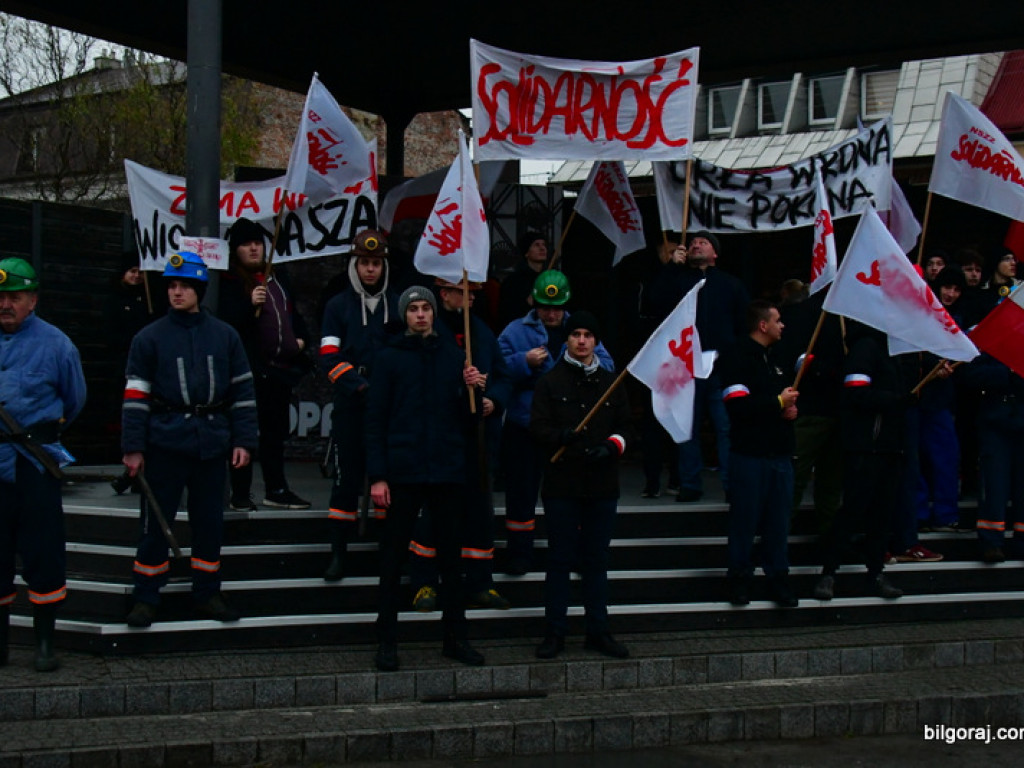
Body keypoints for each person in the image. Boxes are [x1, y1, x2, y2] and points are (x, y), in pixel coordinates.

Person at [121, 252, 258, 628]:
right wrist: (132, 448)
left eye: (184, 286)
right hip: (164, 442)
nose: (177, 292)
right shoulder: (149, 338)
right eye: (172, 286)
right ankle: (145, 596)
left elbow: (243, 394)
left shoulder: (225, 335)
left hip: (213, 442)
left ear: (199, 289)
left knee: (210, 523)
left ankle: (207, 593)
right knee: (154, 525)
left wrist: (243, 440)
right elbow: (135, 398)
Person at [365, 286, 484, 672]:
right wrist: (378, 476)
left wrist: (473, 391)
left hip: (446, 471)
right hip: (403, 472)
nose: (421, 315)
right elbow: (375, 421)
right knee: (393, 559)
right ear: (405, 315)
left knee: (451, 560)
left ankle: (456, 638)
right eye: (413, 308)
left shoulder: (454, 358)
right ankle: (387, 641)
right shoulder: (389, 358)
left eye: (426, 308)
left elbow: (468, 422)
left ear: (434, 314)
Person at [0, 257, 86, 672]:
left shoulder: (57, 344)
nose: (5, 305)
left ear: (32, 300)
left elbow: (75, 400)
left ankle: (45, 644)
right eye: (0, 298)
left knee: (43, 554)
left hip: (34, 463)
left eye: (14, 297)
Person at [530, 310, 631, 659]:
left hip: (602, 486)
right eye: (576, 334)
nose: (582, 340)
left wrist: (611, 446)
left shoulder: (611, 383)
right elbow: (537, 428)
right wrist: (560, 436)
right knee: (559, 560)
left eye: (588, 335)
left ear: (596, 341)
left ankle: (597, 631)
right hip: (562, 486)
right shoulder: (549, 382)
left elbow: (627, 427)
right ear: (567, 340)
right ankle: (554, 632)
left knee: (596, 561)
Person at [498, 270, 613, 575]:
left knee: (568, 496)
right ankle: (520, 553)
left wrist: (575, 361)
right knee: (521, 495)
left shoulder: (579, 330)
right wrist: (523, 361)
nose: (551, 313)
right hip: (524, 427)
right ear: (534, 303)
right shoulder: (514, 331)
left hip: (567, 432)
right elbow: (496, 370)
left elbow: (608, 367)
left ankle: (568, 553)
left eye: (556, 307)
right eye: (544, 307)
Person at [408, 278, 513, 611]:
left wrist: (493, 400)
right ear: (446, 294)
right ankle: (424, 582)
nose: (470, 299)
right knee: (433, 512)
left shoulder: (481, 331)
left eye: (474, 295)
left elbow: (503, 375)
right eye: (464, 293)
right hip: (440, 437)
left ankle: (481, 582)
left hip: (478, 438)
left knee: (480, 510)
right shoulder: (430, 331)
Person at [318, 229, 398, 581]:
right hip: (351, 402)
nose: (370, 270)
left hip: (387, 406)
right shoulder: (337, 306)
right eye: (364, 262)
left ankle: (387, 555)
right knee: (346, 480)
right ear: (355, 264)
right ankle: (338, 554)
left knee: (386, 479)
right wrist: (358, 385)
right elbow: (328, 356)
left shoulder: (397, 305)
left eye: (376, 263)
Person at [218, 217, 312, 511]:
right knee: (244, 434)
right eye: (247, 244)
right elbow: (226, 324)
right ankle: (240, 492)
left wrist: (302, 340)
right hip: (247, 372)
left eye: (258, 242)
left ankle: (277, 488)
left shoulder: (277, 277)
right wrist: (249, 305)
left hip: (278, 371)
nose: (254, 248)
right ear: (235, 250)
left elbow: (292, 315)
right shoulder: (228, 282)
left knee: (275, 435)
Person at [647, 230, 748, 502]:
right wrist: (670, 268)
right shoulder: (678, 280)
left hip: (719, 365)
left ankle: (731, 485)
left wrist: (734, 359)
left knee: (725, 428)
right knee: (686, 426)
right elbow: (656, 303)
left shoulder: (731, 284)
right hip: (685, 367)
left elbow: (742, 327)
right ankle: (690, 484)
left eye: (703, 243)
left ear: (715, 253)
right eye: (692, 243)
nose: (695, 245)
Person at [812, 324, 906, 601]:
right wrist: (896, 400)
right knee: (853, 510)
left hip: (890, 445)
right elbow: (855, 391)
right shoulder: (866, 347)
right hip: (866, 446)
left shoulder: (896, 352)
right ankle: (829, 571)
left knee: (882, 514)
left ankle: (875, 572)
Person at [718, 300, 799, 608]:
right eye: (778, 320)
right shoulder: (736, 357)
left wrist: (789, 409)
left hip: (779, 456)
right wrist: (778, 403)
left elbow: (778, 402)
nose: (783, 326)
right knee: (744, 522)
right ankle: (739, 579)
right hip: (749, 457)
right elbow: (738, 406)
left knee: (779, 524)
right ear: (762, 325)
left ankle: (778, 579)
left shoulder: (776, 358)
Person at [110, 248, 155, 495]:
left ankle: (134, 475)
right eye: (132, 271)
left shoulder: (147, 299)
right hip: (124, 367)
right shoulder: (116, 299)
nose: (137, 276)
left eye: (140, 271)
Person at [497, 231, 549, 328]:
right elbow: (506, 313)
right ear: (526, 253)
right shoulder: (513, 282)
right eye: (536, 245)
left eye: (544, 245)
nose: (542, 248)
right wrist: (526, 303)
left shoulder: (550, 278)